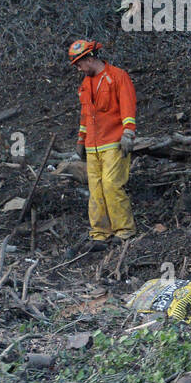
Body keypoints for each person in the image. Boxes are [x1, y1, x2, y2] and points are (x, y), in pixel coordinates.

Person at [69, 40, 136, 250]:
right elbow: (85, 116)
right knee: (96, 189)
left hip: (113, 143)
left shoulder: (117, 76)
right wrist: (81, 140)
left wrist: (128, 133)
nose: (78, 69)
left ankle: (124, 230)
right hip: (93, 146)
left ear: (90, 58)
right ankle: (100, 233)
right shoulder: (85, 85)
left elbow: (128, 105)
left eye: (79, 64)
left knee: (111, 185)